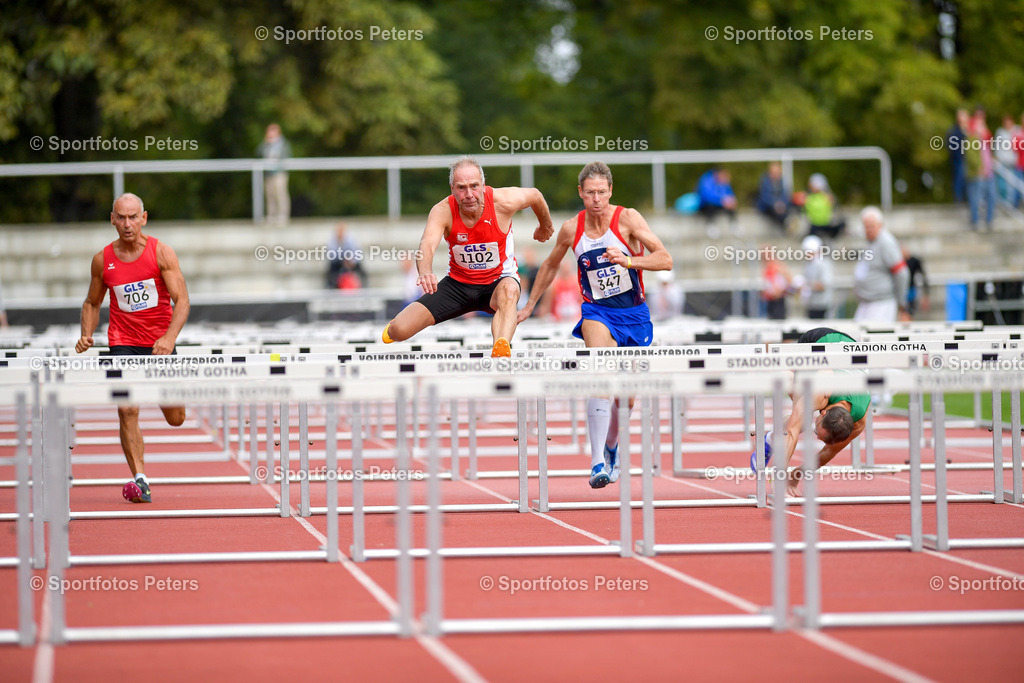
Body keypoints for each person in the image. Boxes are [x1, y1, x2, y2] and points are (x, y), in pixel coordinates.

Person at [518, 161, 673, 488]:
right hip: (596, 313)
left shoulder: (628, 219)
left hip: (634, 315)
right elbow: (549, 265)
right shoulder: (571, 228)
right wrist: (529, 305)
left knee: (626, 397)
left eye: (602, 192)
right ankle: (596, 462)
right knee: (601, 372)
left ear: (610, 191)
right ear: (581, 193)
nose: (597, 199)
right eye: (590, 193)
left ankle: (611, 447)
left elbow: (665, 258)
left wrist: (629, 260)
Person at [75, 193, 190, 503]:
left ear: (144, 218)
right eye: (121, 218)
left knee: (176, 417)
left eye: (133, 217)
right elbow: (92, 301)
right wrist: (87, 333)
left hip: (158, 346)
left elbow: (183, 301)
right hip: (122, 341)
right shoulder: (102, 259)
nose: (127, 224)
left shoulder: (161, 253)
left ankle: (154, 388)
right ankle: (140, 479)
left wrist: (169, 338)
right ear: (112, 220)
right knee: (127, 408)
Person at [381, 155, 554, 357]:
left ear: (483, 185)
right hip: (457, 285)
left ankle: (501, 349)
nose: (469, 194)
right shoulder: (442, 211)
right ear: (452, 190)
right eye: (461, 188)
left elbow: (535, 195)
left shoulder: (502, 201)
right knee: (398, 331)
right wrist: (426, 271)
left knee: (509, 291)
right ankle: (396, 327)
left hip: (497, 282)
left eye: (474, 186)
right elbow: (426, 244)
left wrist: (546, 225)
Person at [752, 327, 871, 498]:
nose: (815, 435)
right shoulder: (820, 392)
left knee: (801, 420)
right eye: (818, 432)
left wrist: (796, 474)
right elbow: (792, 432)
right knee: (801, 420)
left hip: (847, 349)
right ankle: (769, 367)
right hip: (818, 341)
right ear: (823, 412)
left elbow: (828, 452)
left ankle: (770, 438)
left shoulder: (858, 424)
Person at [853, 206, 909, 323]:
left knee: (874, 339)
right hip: (867, 302)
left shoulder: (886, 243)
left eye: (871, 226)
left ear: (880, 225)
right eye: (866, 226)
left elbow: (901, 273)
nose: (868, 230)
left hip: (881, 303)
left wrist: (902, 303)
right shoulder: (871, 241)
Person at [966, 107, 996, 231]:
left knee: (992, 196)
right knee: (976, 197)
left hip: (989, 173)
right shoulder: (971, 139)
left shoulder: (985, 140)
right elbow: (970, 156)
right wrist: (979, 167)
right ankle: (975, 221)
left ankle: (989, 221)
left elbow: (989, 153)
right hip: (978, 173)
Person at [258, 123, 291, 224]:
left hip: (280, 172)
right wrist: (265, 143)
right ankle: (271, 216)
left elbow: (287, 156)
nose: (270, 133)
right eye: (269, 131)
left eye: (272, 130)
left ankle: (283, 215)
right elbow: (258, 153)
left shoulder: (284, 143)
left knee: (280, 194)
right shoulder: (266, 144)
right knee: (270, 195)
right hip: (269, 173)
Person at [696, 167, 738, 237]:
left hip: (719, 204)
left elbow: (729, 193)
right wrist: (722, 201)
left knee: (731, 206)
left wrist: (732, 200)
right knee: (710, 206)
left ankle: (734, 225)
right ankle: (711, 226)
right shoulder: (707, 180)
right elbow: (707, 196)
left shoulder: (724, 182)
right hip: (705, 205)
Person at [800, 235, 834, 319]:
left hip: (822, 305)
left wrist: (807, 285)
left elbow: (824, 284)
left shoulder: (823, 264)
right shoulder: (808, 265)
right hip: (811, 305)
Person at [804, 173, 845, 240]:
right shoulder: (808, 197)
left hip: (826, 224)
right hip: (814, 225)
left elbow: (836, 211)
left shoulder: (828, 197)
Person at [326, 222, 366, 289]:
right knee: (332, 270)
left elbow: (357, 252)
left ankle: (363, 285)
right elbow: (331, 255)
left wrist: (351, 260)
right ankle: (332, 285)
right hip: (338, 263)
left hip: (351, 262)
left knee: (361, 270)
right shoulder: (333, 241)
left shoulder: (351, 239)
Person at [756, 162, 791, 231]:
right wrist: (775, 204)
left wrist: (782, 204)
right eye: (774, 172)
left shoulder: (782, 181)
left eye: (777, 173)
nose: (776, 175)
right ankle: (786, 225)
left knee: (789, 207)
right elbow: (764, 197)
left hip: (779, 206)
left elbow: (785, 195)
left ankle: (787, 224)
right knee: (776, 213)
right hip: (767, 206)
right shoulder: (765, 181)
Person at [994, 115, 1020, 206]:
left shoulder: (1017, 130)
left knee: (1012, 185)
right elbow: (997, 147)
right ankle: (1002, 202)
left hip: (1013, 162)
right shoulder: (1000, 132)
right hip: (1002, 162)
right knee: (1001, 184)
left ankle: (1010, 204)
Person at [760, 248, 792, 320]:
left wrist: (781, 290)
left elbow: (789, 281)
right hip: (770, 300)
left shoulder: (778, 266)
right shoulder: (767, 267)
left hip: (778, 301)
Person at [946, 109, 969, 203]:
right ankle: (958, 200)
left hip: (968, 160)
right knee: (959, 179)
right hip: (959, 159)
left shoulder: (969, 129)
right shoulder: (954, 131)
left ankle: (967, 198)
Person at [902, 247, 930, 319]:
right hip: (901, 290)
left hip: (911, 289)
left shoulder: (914, 261)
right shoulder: (898, 261)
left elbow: (924, 277)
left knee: (909, 312)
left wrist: (925, 295)